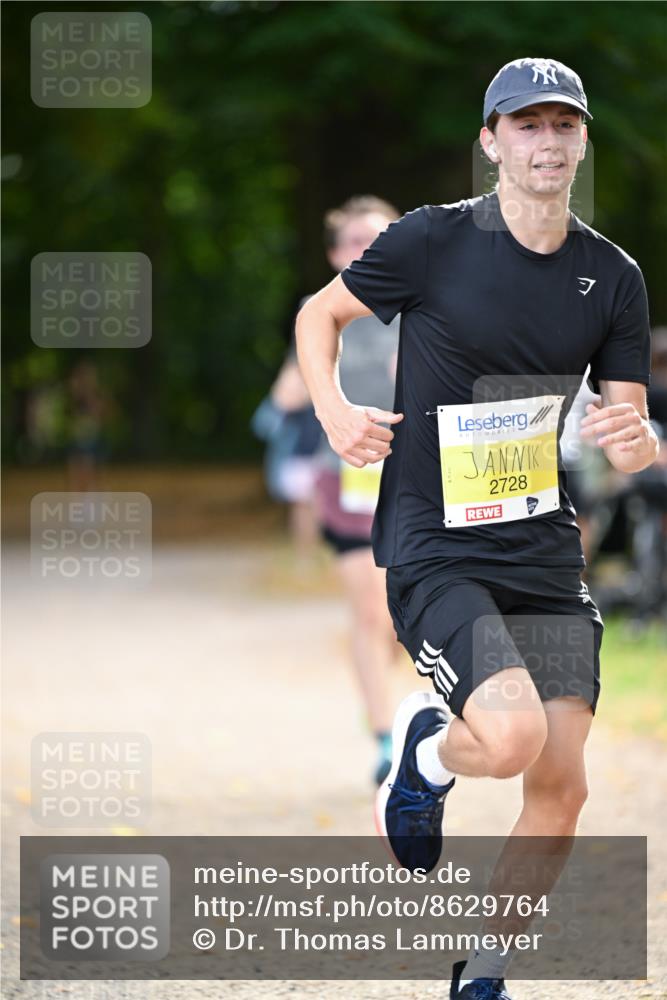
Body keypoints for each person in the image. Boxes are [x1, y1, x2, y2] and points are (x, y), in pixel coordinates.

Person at [296, 57, 657, 999]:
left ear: (582, 141)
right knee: (508, 738)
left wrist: (638, 440)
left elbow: (626, 430)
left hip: (542, 547)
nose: (546, 142)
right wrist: (334, 412)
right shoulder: (431, 241)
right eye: (525, 125)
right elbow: (319, 315)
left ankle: (483, 970)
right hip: (436, 543)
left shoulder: (612, 276)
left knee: (562, 786)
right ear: (490, 142)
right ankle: (426, 752)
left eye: (563, 125)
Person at [313, 195, 403, 785]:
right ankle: (384, 737)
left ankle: (398, 702)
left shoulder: (423, 305)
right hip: (348, 474)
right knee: (370, 610)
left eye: (379, 239)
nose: (367, 250)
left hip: (418, 473)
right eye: (355, 242)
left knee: (400, 613)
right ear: (334, 255)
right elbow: (291, 392)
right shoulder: (320, 312)